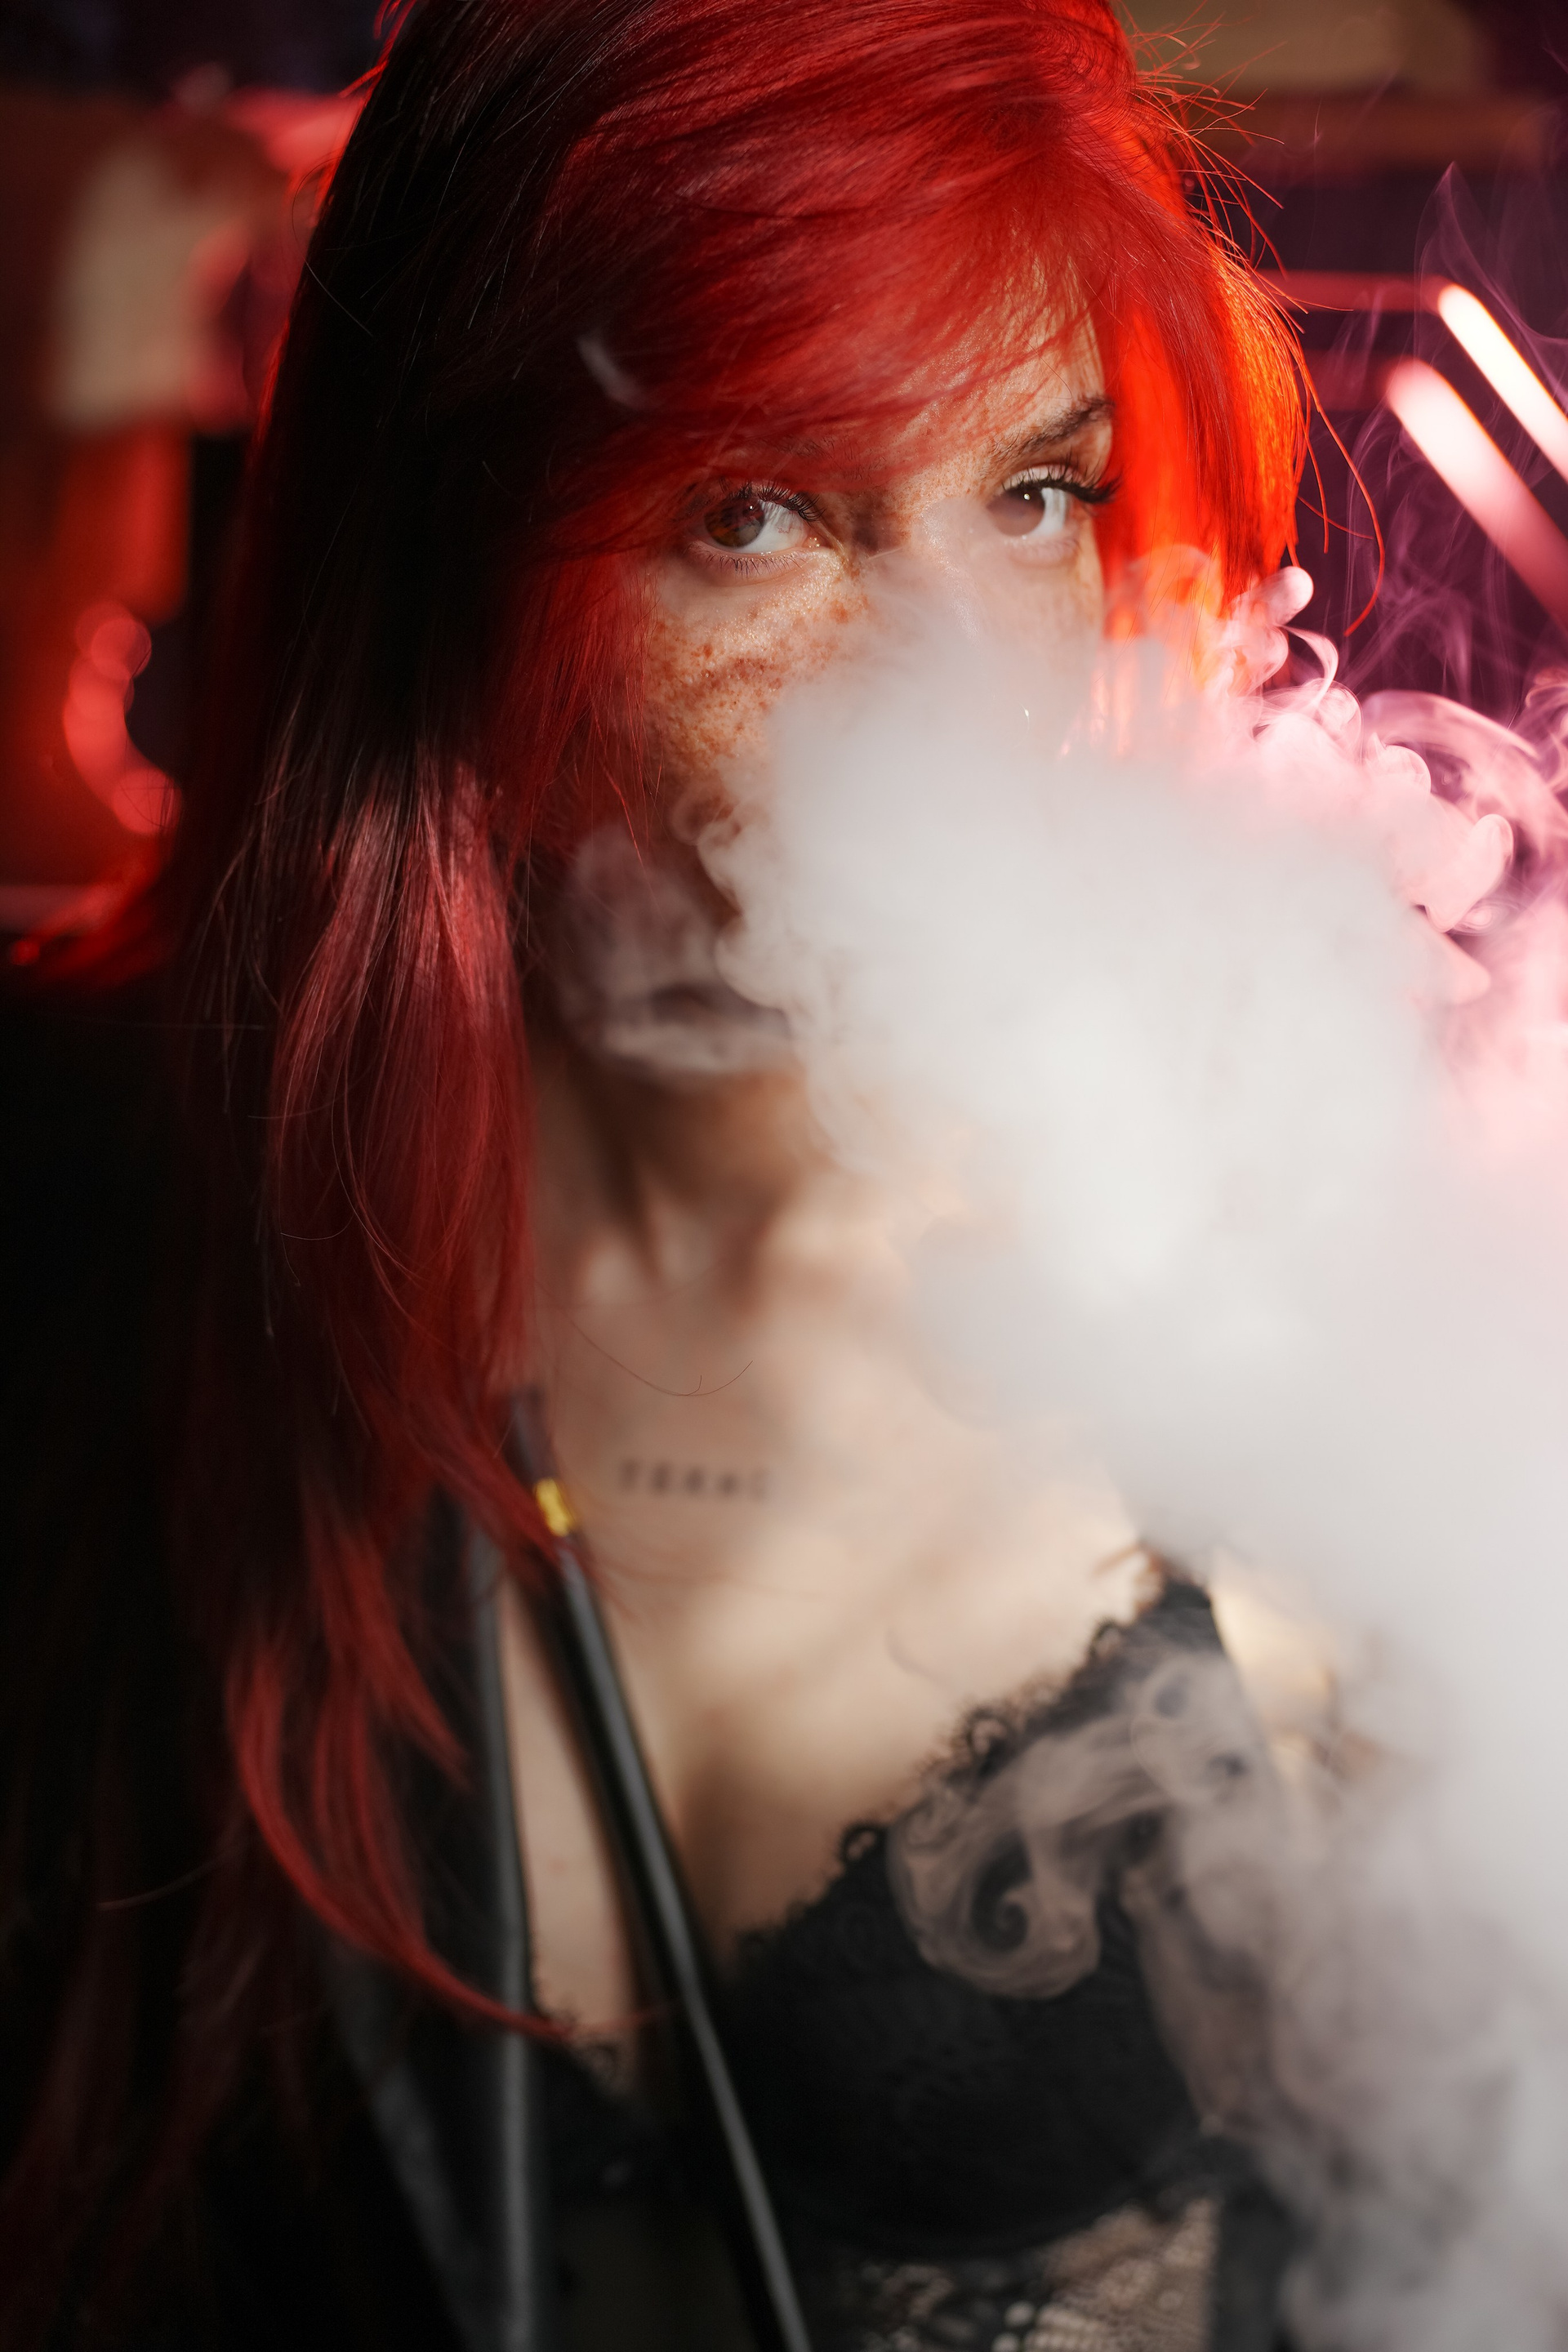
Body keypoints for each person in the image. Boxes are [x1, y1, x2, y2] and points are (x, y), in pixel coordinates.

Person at [0, 0, 1311, 2345]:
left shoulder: (1341, 1348)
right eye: (757, 514)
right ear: (447, 566)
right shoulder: (90, 1215)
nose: (956, 695)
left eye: (1037, 495)